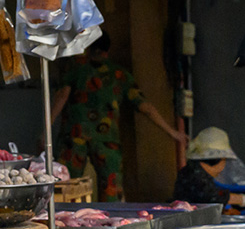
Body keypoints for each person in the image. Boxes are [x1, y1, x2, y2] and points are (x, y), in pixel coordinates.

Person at [51, 31, 186, 201]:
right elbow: (145, 107)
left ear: (88, 47)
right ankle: (108, 222)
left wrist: (46, 129)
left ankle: (63, 221)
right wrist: (171, 132)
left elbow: (62, 96)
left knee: (65, 185)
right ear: (107, 50)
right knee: (111, 189)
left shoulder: (75, 69)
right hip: (107, 141)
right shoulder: (118, 75)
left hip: (74, 138)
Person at [173, 127, 245, 210]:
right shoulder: (194, 175)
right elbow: (210, 196)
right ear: (216, 160)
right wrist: (242, 199)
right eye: (224, 161)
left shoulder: (193, 170)